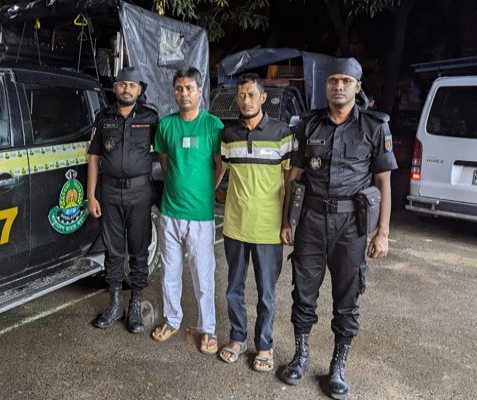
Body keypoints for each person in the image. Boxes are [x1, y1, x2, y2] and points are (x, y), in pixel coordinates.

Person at [280, 58, 397, 399]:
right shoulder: (308, 125)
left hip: (352, 225)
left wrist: (383, 233)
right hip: (312, 222)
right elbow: (295, 176)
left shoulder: (374, 127)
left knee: (347, 300)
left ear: (357, 87)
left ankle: (338, 366)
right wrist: (288, 220)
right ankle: (301, 356)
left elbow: (383, 182)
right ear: (326, 86)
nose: (339, 87)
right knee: (303, 294)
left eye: (346, 81)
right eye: (333, 81)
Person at [216, 73, 292, 371]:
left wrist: (287, 222)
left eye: (251, 94)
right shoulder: (229, 134)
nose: (245, 100)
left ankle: (264, 345)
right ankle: (237, 338)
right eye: (241, 95)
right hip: (235, 225)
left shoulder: (282, 133)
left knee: (266, 291)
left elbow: (289, 182)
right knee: (233, 286)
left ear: (263, 98)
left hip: (269, 228)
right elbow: (221, 172)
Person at [150, 67, 223, 355]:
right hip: (170, 212)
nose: (183, 94)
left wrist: (205, 190)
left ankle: (208, 329)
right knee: (169, 271)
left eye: (189, 88)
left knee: (203, 275)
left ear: (200, 91)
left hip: (201, 216)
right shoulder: (167, 126)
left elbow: (220, 165)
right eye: (179, 89)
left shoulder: (213, 125)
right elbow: (165, 163)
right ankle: (172, 319)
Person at [87, 67, 159, 334]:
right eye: (121, 84)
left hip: (140, 193)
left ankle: (136, 306)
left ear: (139, 89)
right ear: (115, 88)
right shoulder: (104, 118)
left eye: (132, 85)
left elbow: (162, 154)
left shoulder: (151, 118)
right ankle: (116, 304)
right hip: (109, 193)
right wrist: (91, 195)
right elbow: (94, 158)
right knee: (113, 250)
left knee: (139, 251)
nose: (126, 89)